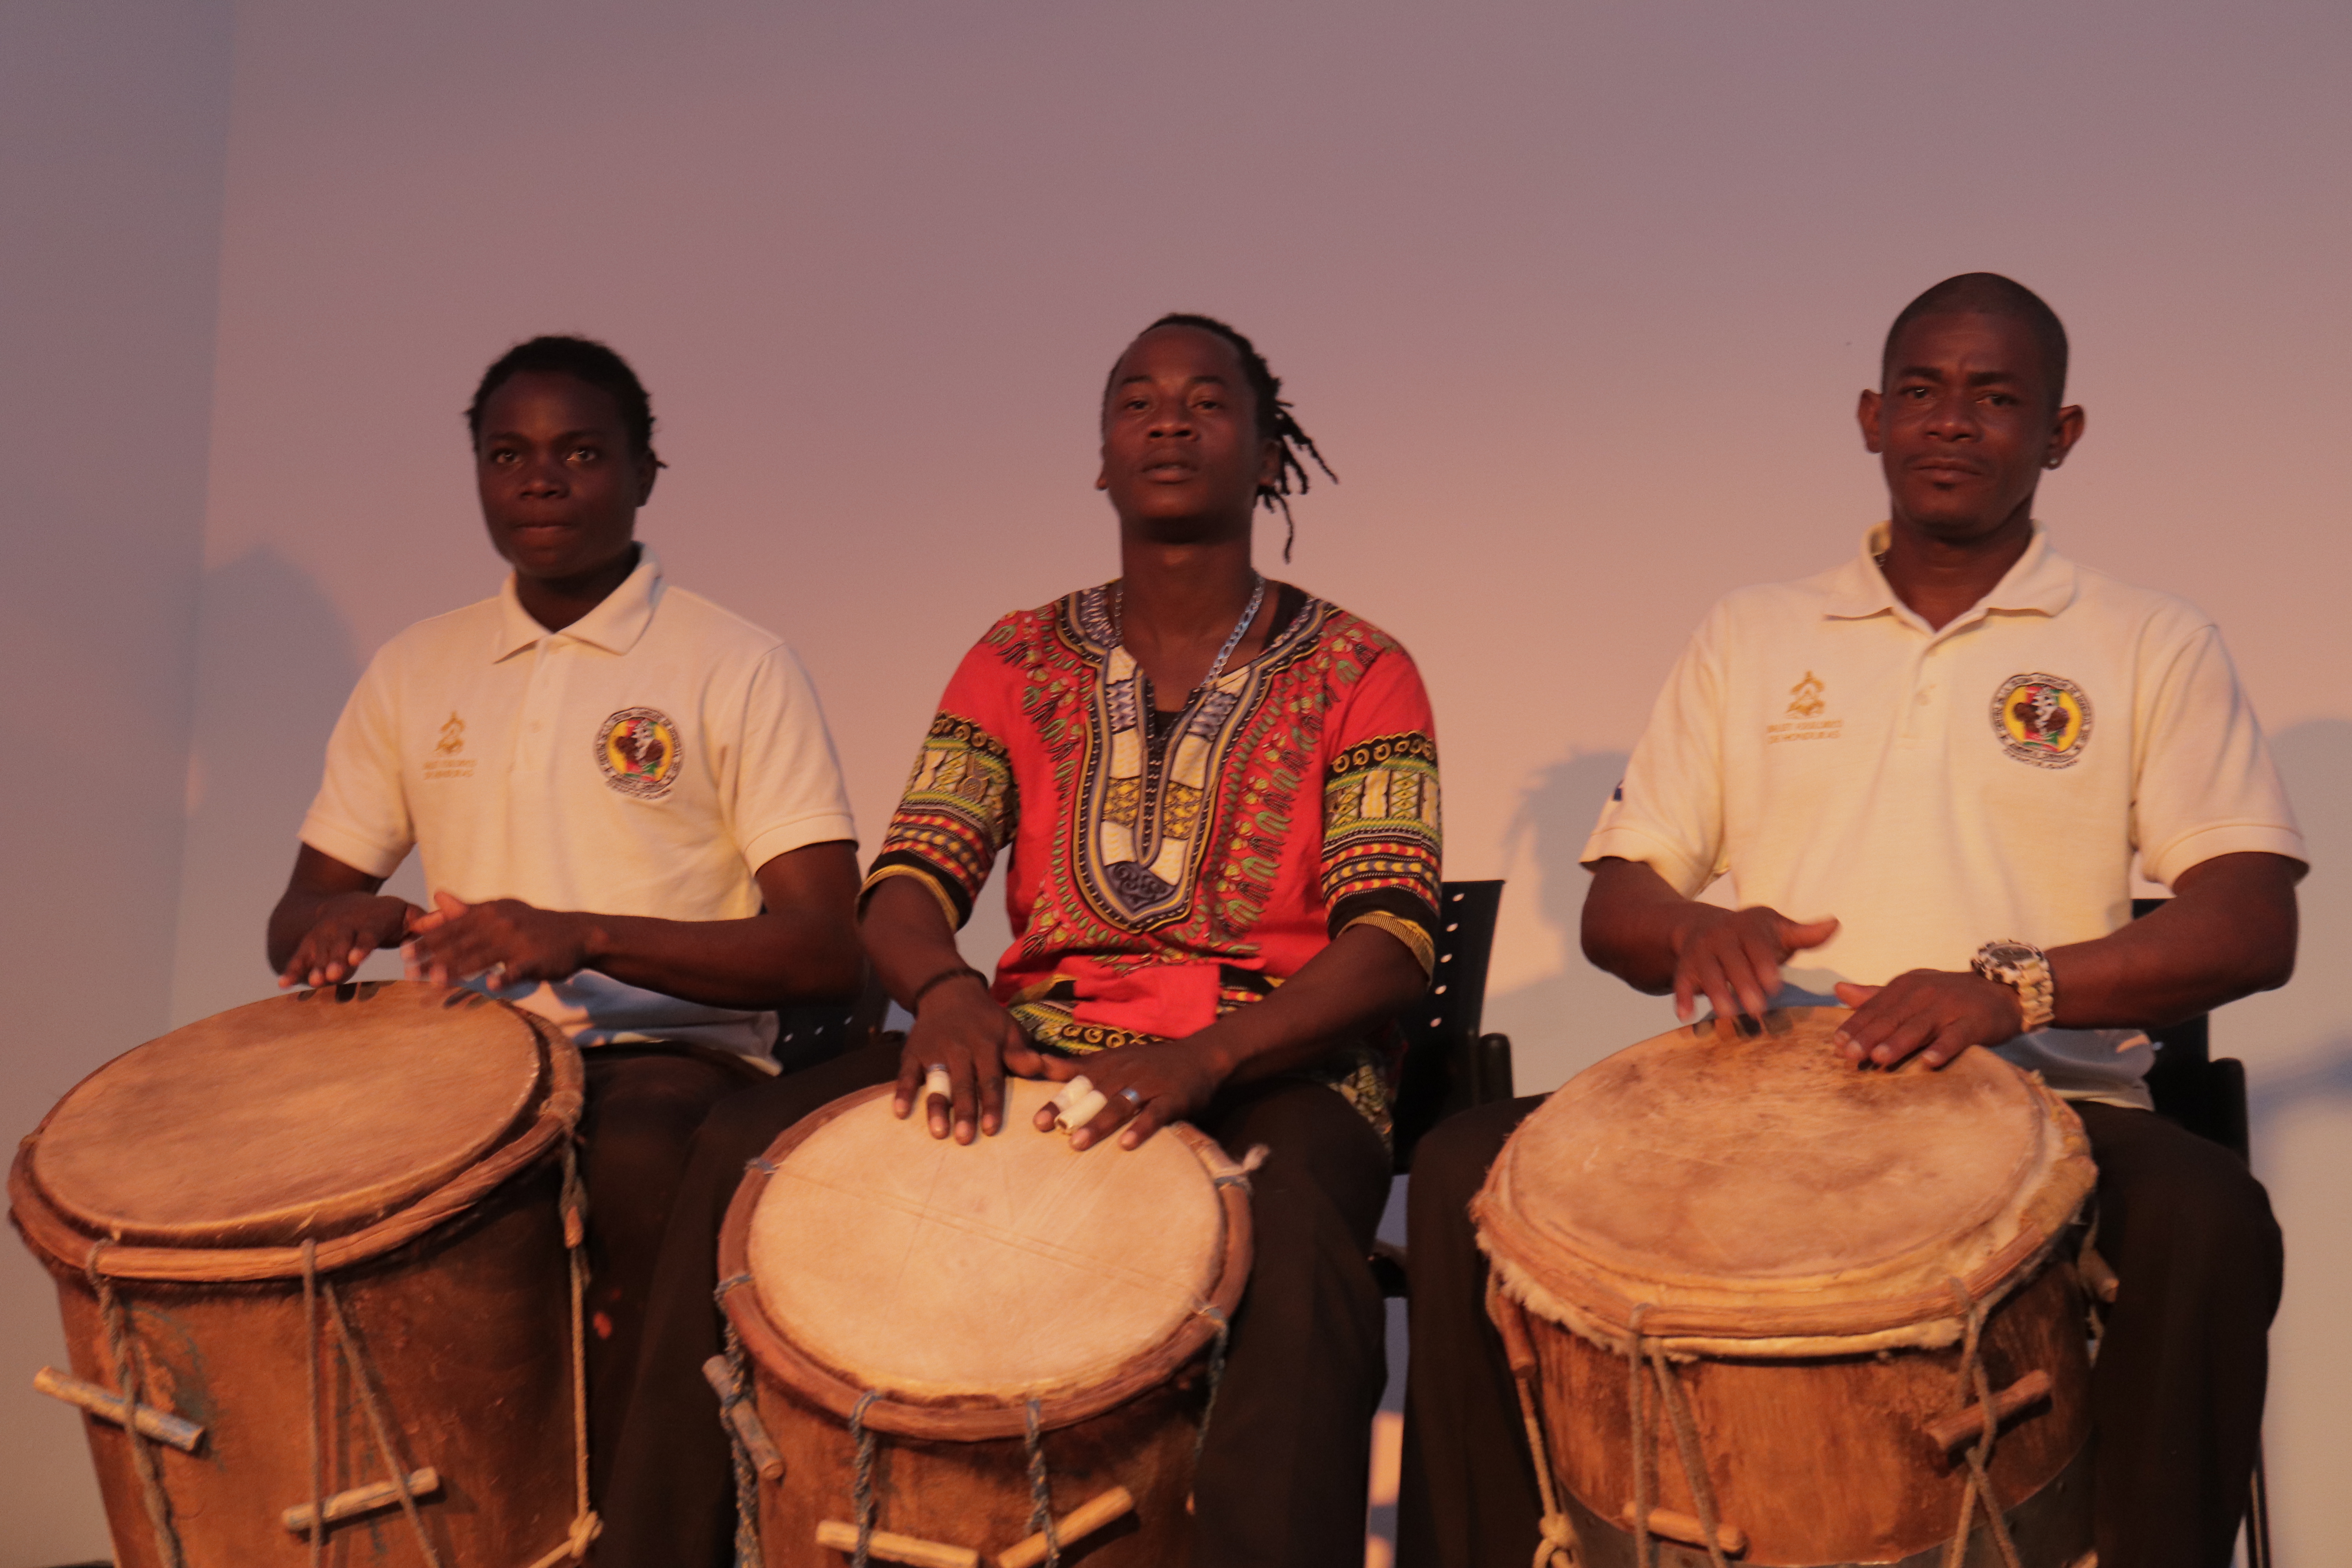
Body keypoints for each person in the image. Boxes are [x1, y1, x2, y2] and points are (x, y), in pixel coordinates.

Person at [1397, 274, 2303, 1568]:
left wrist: (2018, 990)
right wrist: (1688, 933)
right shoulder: (1752, 632)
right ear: (1872, 417)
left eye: (1997, 397)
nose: (1953, 422)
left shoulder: (2148, 640)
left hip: (2041, 1098)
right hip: (1758, 1089)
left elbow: (2251, 923)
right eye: (1924, 392)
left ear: (2062, 432)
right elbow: (1623, 897)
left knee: (2212, 1216)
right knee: (1459, 1174)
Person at [598, 313, 1442, 1568]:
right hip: (1034, 1049)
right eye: (1137, 401)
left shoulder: (1362, 668)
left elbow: (1390, 941)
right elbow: (904, 886)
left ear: (1269, 454)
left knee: (1307, 1223)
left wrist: (1212, 1060)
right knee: (738, 1139)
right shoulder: (1016, 657)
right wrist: (942, 991)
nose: (1169, 420)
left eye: (1208, 401)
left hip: (1276, 1068)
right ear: (1099, 458)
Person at [268, 335, 863, 1499]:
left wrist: (584, 934)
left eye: (581, 452)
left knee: (633, 1157)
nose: (541, 479)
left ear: (645, 473)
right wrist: (360, 920)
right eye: (509, 455)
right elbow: (298, 913)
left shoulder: (734, 663)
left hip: (670, 1061)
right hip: (466, 1070)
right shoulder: (416, 666)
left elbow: (824, 946)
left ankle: (642, 1524)